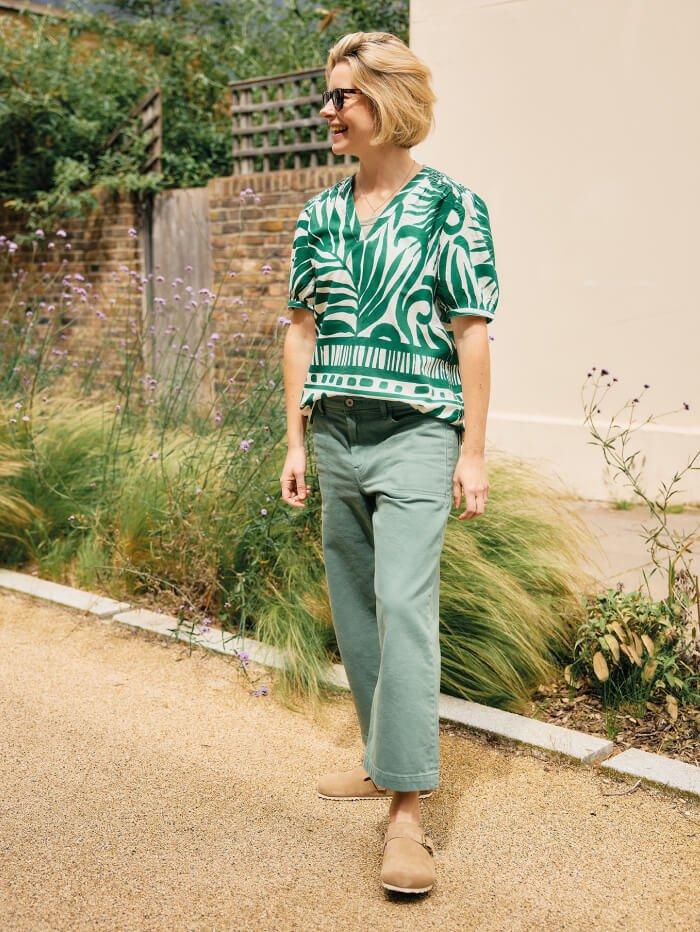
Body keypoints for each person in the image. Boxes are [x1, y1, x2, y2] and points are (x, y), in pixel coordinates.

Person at [281, 31, 499, 895]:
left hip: (416, 434)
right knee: (357, 608)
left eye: (342, 97)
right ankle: (382, 756)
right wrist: (296, 440)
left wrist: (472, 452)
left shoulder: (454, 207)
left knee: (404, 605)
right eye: (327, 97)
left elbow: (471, 334)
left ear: (388, 102)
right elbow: (301, 330)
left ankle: (407, 816)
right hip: (334, 431)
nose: (327, 111)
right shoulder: (320, 214)